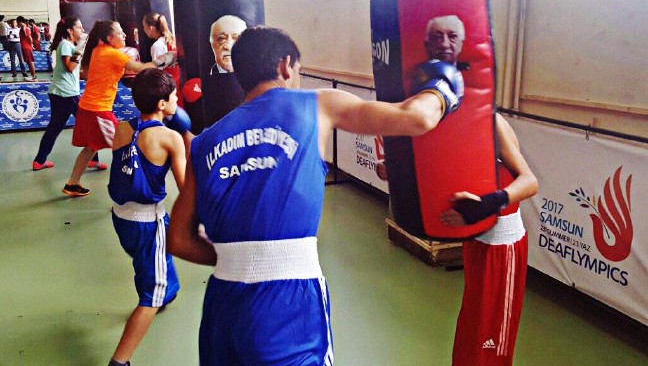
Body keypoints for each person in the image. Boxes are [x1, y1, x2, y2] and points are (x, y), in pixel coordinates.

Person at [168, 26, 463, 365]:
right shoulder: (317, 104)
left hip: (222, 307)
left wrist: (239, 260)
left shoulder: (205, 141)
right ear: (285, 66)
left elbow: (178, 239)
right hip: (286, 305)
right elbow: (417, 118)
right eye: (298, 71)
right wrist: (443, 86)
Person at [107, 69, 191, 366]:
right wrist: (187, 142)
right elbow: (185, 187)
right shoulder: (170, 138)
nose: (177, 100)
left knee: (152, 256)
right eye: (174, 96)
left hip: (121, 217)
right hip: (147, 222)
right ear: (161, 103)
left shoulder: (122, 128)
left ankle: (164, 290)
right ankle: (120, 361)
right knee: (153, 291)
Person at [442, 113, 538, 366]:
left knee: (492, 340)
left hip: (502, 249)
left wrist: (487, 205)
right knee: (472, 330)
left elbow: (530, 182)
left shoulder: (492, 123)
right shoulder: (445, 117)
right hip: (477, 242)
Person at [62, 20, 177, 197]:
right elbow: (143, 69)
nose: (124, 35)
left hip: (87, 108)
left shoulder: (98, 50)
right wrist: (168, 57)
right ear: (109, 38)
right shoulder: (111, 54)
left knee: (91, 147)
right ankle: (128, 191)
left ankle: (73, 183)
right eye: (120, 32)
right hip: (97, 110)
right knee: (129, 145)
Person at [32, 17, 105, 171]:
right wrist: (81, 47)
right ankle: (93, 160)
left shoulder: (69, 45)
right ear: (70, 31)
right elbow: (70, 67)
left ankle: (39, 161)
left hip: (61, 93)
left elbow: (73, 71)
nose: (82, 30)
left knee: (54, 128)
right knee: (89, 125)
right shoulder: (65, 44)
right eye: (79, 27)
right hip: (67, 94)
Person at [141, 12, 183, 106]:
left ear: (150, 28)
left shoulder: (157, 46)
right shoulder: (173, 39)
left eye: (144, 27)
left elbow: (158, 72)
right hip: (179, 82)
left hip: (168, 86)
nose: (143, 30)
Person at [17, 16, 37, 81]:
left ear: (19, 21)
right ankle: (33, 76)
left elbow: (29, 37)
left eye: (17, 22)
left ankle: (33, 76)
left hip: (26, 47)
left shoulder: (24, 27)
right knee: (29, 62)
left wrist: (31, 45)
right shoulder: (23, 27)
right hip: (25, 47)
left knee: (30, 62)